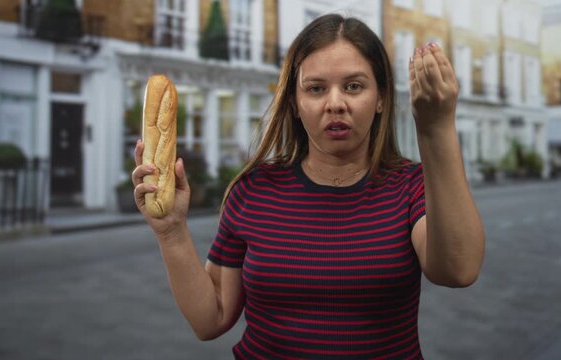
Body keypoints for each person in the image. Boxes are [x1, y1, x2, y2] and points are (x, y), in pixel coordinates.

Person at [132, 14, 484, 359]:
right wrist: (171, 231)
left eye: (354, 86)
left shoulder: (411, 188)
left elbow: (457, 269)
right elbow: (211, 318)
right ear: (296, 105)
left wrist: (435, 127)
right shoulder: (253, 191)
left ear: (381, 98)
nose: (335, 103)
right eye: (316, 89)